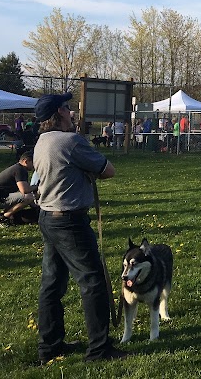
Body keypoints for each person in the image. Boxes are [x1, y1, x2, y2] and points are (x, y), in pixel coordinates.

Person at [32, 92, 127, 363]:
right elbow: (108, 170)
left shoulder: (41, 141)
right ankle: (99, 350)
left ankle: (50, 346)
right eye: (67, 108)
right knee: (93, 282)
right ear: (58, 113)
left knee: (52, 285)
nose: (71, 111)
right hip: (70, 222)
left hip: (49, 217)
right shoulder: (71, 141)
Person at [0, 152, 38, 227]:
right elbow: (24, 190)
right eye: (34, 162)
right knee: (29, 197)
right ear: (26, 161)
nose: (35, 165)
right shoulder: (20, 170)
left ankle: (3, 215)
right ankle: (3, 218)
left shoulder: (17, 168)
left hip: (1, 196)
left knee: (25, 197)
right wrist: (37, 187)